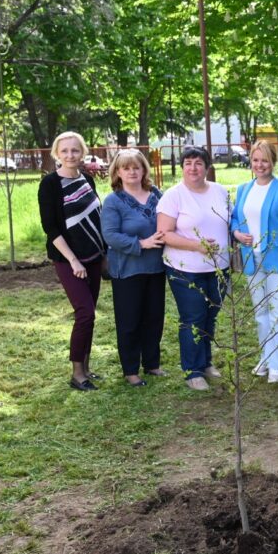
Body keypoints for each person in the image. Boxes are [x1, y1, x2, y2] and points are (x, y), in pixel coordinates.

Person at [157, 146, 230, 391]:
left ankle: (206, 362)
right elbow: (164, 233)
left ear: (207, 167)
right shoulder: (173, 196)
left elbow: (229, 223)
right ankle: (192, 371)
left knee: (210, 316)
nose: (193, 168)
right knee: (193, 318)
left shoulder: (220, 191)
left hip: (218, 268)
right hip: (185, 269)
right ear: (182, 167)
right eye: (188, 163)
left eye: (198, 163)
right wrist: (196, 246)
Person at [38, 131, 106, 391]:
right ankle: (77, 374)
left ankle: (87, 368)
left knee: (90, 315)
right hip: (69, 260)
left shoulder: (87, 179)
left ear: (83, 152)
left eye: (75, 150)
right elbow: (51, 228)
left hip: (93, 256)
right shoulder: (50, 184)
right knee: (84, 313)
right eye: (64, 151)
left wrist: (103, 254)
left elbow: (96, 217)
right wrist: (74, 260)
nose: (70, 155)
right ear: (57, 153)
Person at [231, 140, 278, 384]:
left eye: (265, 160)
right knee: (260, 312)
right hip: (252, 260)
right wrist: (237, 234)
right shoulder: (243, 189)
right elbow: (235, 219)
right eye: (256, 160)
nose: (260, 165)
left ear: (273, 162)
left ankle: (276, 365)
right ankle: (265, 357)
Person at [101, 149, 166, 387]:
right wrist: (141, 243)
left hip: (156, 267)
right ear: (118, 172)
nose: (132, 172)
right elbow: (110, 235)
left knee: (154, 318)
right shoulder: (113, 201)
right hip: (127, 269)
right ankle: (130, 370)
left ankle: (152, 363)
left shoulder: (156, 194)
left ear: (144, 170)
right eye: (126, 168)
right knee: (129, 321)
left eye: (136, 167)